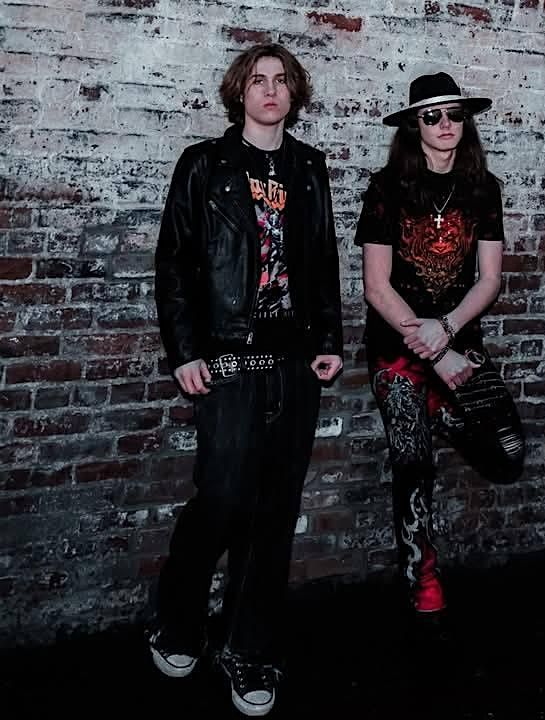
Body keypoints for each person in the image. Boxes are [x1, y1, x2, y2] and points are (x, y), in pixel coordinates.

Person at [149, 43, 343, 716]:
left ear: (293, 94)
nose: (270, 90)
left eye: (281, 80)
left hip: (292, 364)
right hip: (227, 359)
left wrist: (328, 341)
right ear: (240, 92)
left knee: (276, 511)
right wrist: (184, 351)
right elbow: (174, 261)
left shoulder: (309, 169)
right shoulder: (205, 165)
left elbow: (323, 259)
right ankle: (178, 616)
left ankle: (250, 647)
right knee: (223, 497)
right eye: (258, 80)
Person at [356, 71, 525, 616]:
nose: (446, 124)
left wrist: (448, 331)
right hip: (398, 343)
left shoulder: (483, 188)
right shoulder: (386, 189)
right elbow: (376, 286)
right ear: (414, 125)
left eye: (455, 114)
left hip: (457, 337)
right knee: (413, 462)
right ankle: (421, 574)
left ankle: (442, 410)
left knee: (507, 455)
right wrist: (432, 348)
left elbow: (489, 279)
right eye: (432, 116)